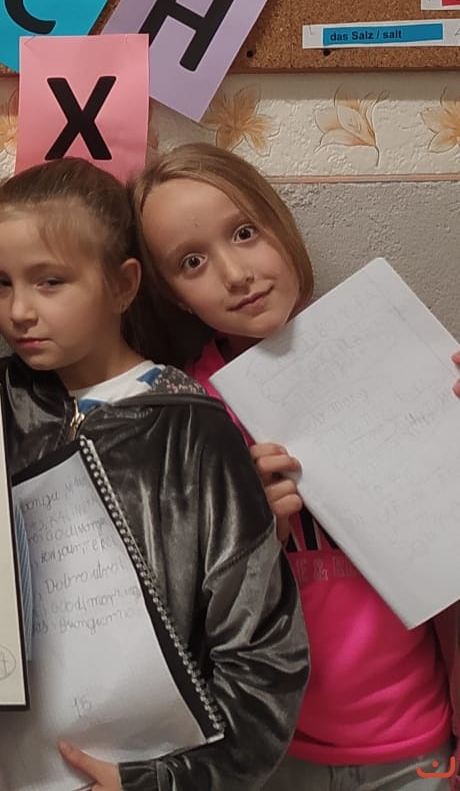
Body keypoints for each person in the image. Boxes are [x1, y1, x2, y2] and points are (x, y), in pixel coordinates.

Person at [0, 158, 308, 791]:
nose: (19, 311)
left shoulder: (192, 430)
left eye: (50, 282)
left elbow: (261, 656)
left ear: (123, 286)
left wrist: (161, 781)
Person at [132, 143, 459, 791]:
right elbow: (178, 623)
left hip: (416, 741)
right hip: (269, 754)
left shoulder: (398, 361)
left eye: (244, 233)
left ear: (281, 227)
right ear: (173, 295)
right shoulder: (188, 416)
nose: (236, 274)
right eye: (192, 262)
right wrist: (251, 534)